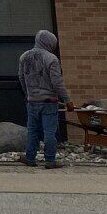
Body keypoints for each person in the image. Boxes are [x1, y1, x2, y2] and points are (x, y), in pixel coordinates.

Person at [18, 28, 70, 168]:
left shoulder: (24, 57)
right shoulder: (51, 59)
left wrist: (27, 94)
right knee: (49, 132)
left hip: (32, 101)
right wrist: (67, 100)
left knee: (32, 130)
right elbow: (57, 82)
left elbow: (21, 78)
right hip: (49, 102)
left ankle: (30, 158)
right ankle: (50, 160)